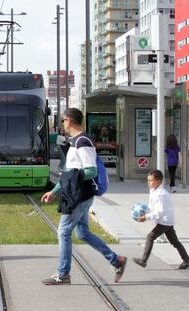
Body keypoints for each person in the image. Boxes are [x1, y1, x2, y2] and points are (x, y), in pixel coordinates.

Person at [40, 108, 127, 285]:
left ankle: (63, 274)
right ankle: (116, 260)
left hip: (80, 195)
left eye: (63, 120)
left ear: (70, 121)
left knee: (63, 231)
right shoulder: (75, 142)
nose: (62, 124)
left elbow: (90, 171)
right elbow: (68, 173)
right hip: (78, 193)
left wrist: (72, 180)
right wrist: (54, 191)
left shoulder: (83, 142)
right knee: (82, 233)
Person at [133, 170, 189, 269]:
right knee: (174, 242)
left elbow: (159, 212)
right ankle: (187, 260)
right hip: (166, 220)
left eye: (151, 181)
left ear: (158, 182)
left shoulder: (161, 194)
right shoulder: (153, 191)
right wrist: (145, 213)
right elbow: (152, 206)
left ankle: (143, 260)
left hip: (165, 221)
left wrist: (146, 217)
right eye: (148, 180)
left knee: (150, 237)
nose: (148, 182)